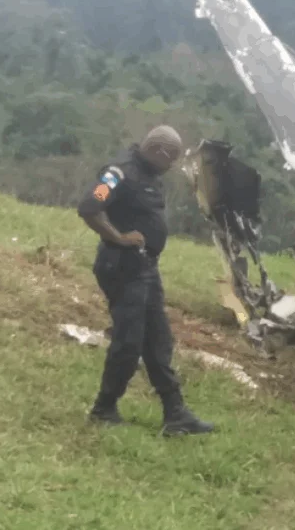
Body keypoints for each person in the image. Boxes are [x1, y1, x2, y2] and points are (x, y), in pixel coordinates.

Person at [76, 125, 214, 436]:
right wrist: (118, 237)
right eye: (171, 159)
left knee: (159, 340)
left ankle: (175, 412)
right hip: (123, 267)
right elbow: (89, 206)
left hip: (146, 268)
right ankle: (104, 408)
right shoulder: (118, 174)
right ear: (158, 152)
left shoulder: (149, 176)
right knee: (129, 341)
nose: (171, 166)